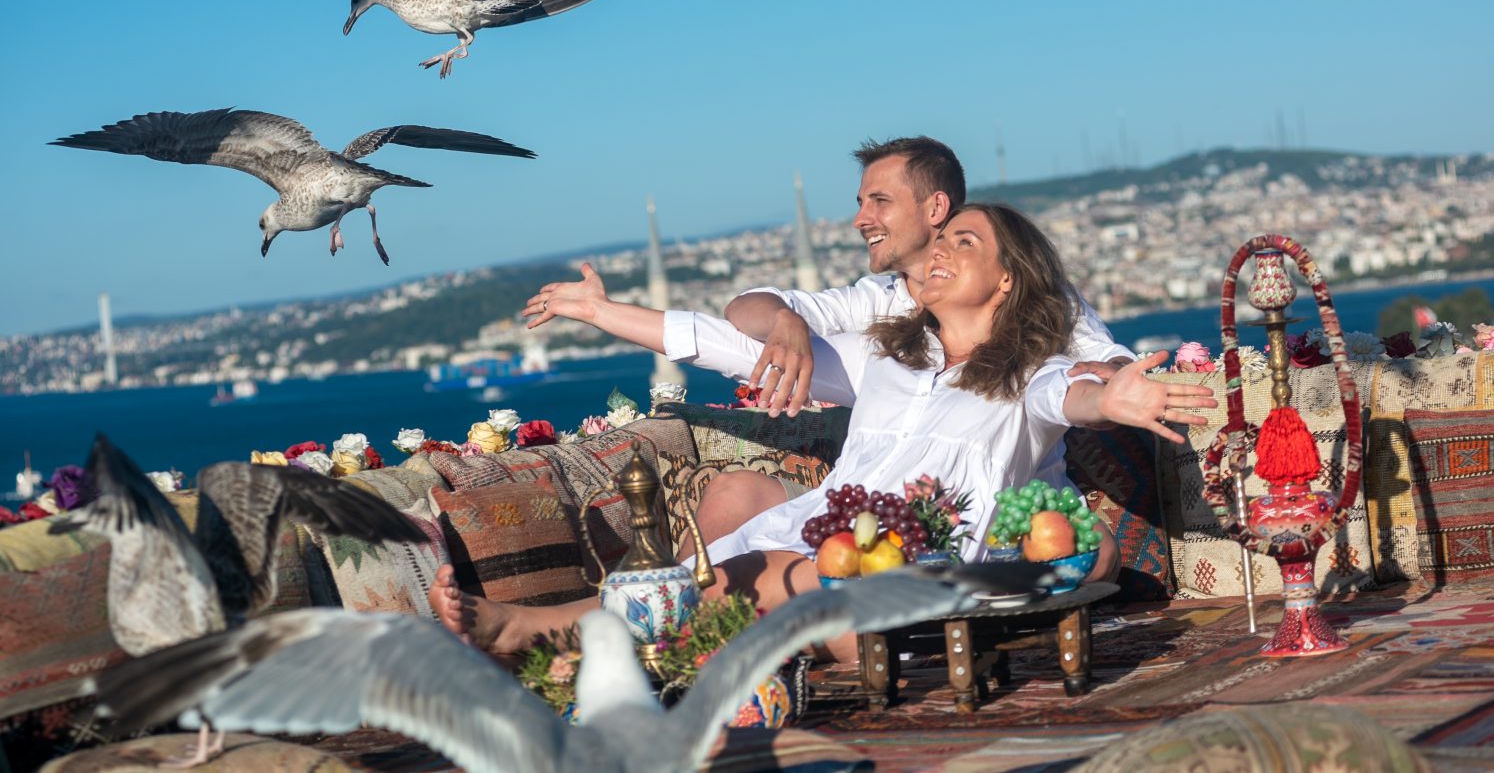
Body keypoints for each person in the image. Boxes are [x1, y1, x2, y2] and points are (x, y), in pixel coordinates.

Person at [429, 203, 1214, 663]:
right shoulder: (890, 358)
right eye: (941, 242)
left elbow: (1071, 394)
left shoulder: (1028, 373)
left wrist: (1116, 396)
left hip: (919, 568)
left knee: (758, 573)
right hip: (830, 535)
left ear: (1008, 280)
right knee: (732, 542)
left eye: (963, 243)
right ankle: (626, 641)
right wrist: (597, 312)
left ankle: (536, 635)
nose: (939, 251)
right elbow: (731, 343)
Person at [723, 136, 1134, 420]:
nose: (860, 220)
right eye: (861, 203)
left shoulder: (1022, 284)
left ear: (936, 207)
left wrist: (1114, 383)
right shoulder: (874, 299)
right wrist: (784, 319)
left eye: (879, 201)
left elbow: (1105, 357)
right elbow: (744, 308)